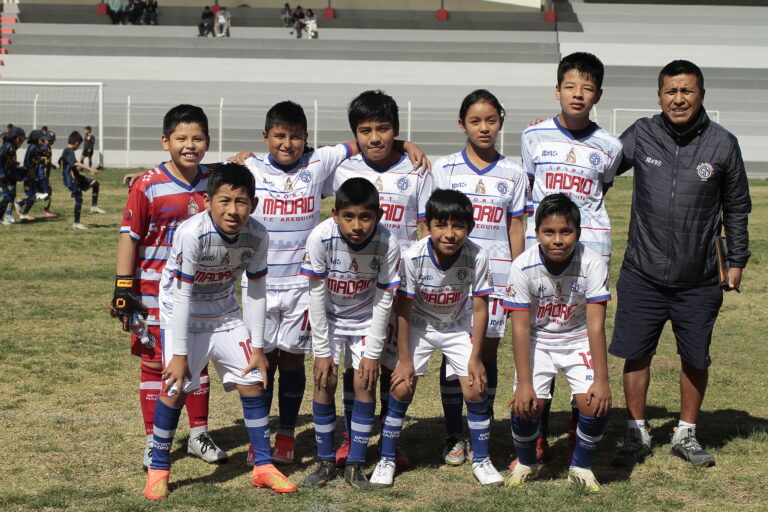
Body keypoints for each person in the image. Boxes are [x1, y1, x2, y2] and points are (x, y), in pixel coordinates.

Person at [227, 101, 427, 467]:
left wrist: (405, 145)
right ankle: (263, 440)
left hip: (336, 286)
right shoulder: (253, 167)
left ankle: (298, 433)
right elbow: (216, 181)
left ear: (306, 139)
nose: (288, 143)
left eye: (296, 137)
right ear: (266, 137)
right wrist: (241, 158)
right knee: (262, 361)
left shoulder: (319, 162)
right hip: (266, 284)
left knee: (320, 363)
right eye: (279, 136)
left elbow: (371, 140)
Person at [609, 60, 751, 468]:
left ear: (702, 95)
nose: (678, 98)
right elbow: (598, 167)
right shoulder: (642, 133)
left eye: (687, 91)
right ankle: (636, 431)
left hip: (700, 277)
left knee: (695, 356)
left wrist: (737, 259)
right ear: (659, 96)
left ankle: (685, 433)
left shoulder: (723, 143)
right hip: (642, 272)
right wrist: (561, 140)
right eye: (671, 91)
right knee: (636, 354)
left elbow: (737, 207)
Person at [143, 164, 298, 500]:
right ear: (206, 201)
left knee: (254, 382)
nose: (232, 209)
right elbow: (182, 295)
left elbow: (255, 290)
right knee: (174, 387)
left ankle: (264, 467)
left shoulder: (257, 234)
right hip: (181, 314)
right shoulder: (191, 233)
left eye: (241, 202)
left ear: (253, 205)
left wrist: (258, 347)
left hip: (225, 313)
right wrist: (181, 355)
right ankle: (159, 469)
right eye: (224, 200)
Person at [111, 105, 227, 471]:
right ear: (166, 142)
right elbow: (129, 237)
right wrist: (123, 288)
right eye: (181, 138)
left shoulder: (215, 182)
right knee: (155, 364)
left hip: (202, 290)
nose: (189, 145)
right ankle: (152, 440)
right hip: (152, 293)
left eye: (197, 138)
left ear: (207, 142)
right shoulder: (147, 185)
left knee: (198, 360)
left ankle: (198, 434)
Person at [519, 52, 622, 464]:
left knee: (580, 332)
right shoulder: (533, 136)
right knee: (542, 332)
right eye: (571, 86)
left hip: (589, 252)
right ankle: (538, 431)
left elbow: (602, 191)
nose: (578, 94)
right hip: (543, 251)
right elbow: (531, 188)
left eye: (588, 88)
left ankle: (576, 418)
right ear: (558, 89)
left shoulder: (610, 145)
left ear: (598, 94)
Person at [327, 90, 433, 469]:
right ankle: (348, 437)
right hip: (354, 288)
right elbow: (293, 164)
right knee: (356, 364)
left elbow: (425, 228)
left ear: (397, 130)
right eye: (365, 130)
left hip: (401, 285)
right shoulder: (342, 168)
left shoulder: (417, 169)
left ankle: (392, 439)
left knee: (393, 363)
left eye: (384, 129)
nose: (375, 138)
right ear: (355, 133)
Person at [371, 187, 504, 487]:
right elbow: (403, 312)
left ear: (469, 227)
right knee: (402, 387)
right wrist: (404, 361)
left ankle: (482, 459)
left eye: (458, 225)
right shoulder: (414, 256)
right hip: (418, 326)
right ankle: (386, 458)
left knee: (474, 387)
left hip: (456, 326)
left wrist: (476, 358)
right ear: (426, 225)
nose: (450, 233)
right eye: (440, 225)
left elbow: (481, 309)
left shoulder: (477, 255)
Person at [431, 89, 527, 465]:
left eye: (491, 120)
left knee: (486, 352)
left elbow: (516, 226)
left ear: (501, 120)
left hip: (498, 277)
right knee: (455, 354)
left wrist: (520, 275)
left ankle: (481, 426)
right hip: (454, 280)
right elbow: (433, 225)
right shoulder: (445, 169)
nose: (484, 128)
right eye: (475, 121)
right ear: (462, 125)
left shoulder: (514, 172)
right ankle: (454, 434)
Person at [505, 193, 612, 492]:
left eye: (566, 232)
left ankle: (581, 467)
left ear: (578, 232)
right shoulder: (522, 266)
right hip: (538, 339)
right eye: (548, 232)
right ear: (536, 232)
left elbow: (595, 324)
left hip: (577, 337)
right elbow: (521, 330)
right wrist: (524, 383)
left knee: (593, 404)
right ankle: (527, 462)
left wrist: (602, 380)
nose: (557, 240)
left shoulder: (592, 262)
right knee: (527, 406)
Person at [300, 177, 401, 489]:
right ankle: (325, 460)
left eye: (365, 217)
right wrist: (322, 352)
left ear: (378, 217)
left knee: (364, 382)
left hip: (365, 319)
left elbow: (385, 298)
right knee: (324, 381)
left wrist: (372, 354)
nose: (357, 225)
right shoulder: (320, 237)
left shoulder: (387, 242)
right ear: (335, 214)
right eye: (349, 217)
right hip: (329, 318)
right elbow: (316, 295)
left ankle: (355, 463)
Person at [60, 131, 104, 230]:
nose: (79, 147)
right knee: (79, 198)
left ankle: (93, 207)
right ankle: (76, 223)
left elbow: (61, 161)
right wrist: (90, 168)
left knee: (95, 184)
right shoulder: (69, 150)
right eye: (79, 145)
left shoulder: (66, 151)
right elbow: (75, 162)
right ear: (76, 143)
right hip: (71, 179)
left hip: (76, 176)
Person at [0, 126, 25, 225]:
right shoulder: (7, 146)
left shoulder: (12, 147)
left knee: (11, 194)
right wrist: (1, 173)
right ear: (17, 138)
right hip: (2, 175)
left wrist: (12, 163)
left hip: (7, 174)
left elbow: (6, 160)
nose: (22, 142)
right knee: (8, 195)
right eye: (22, 140)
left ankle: (5, 217)